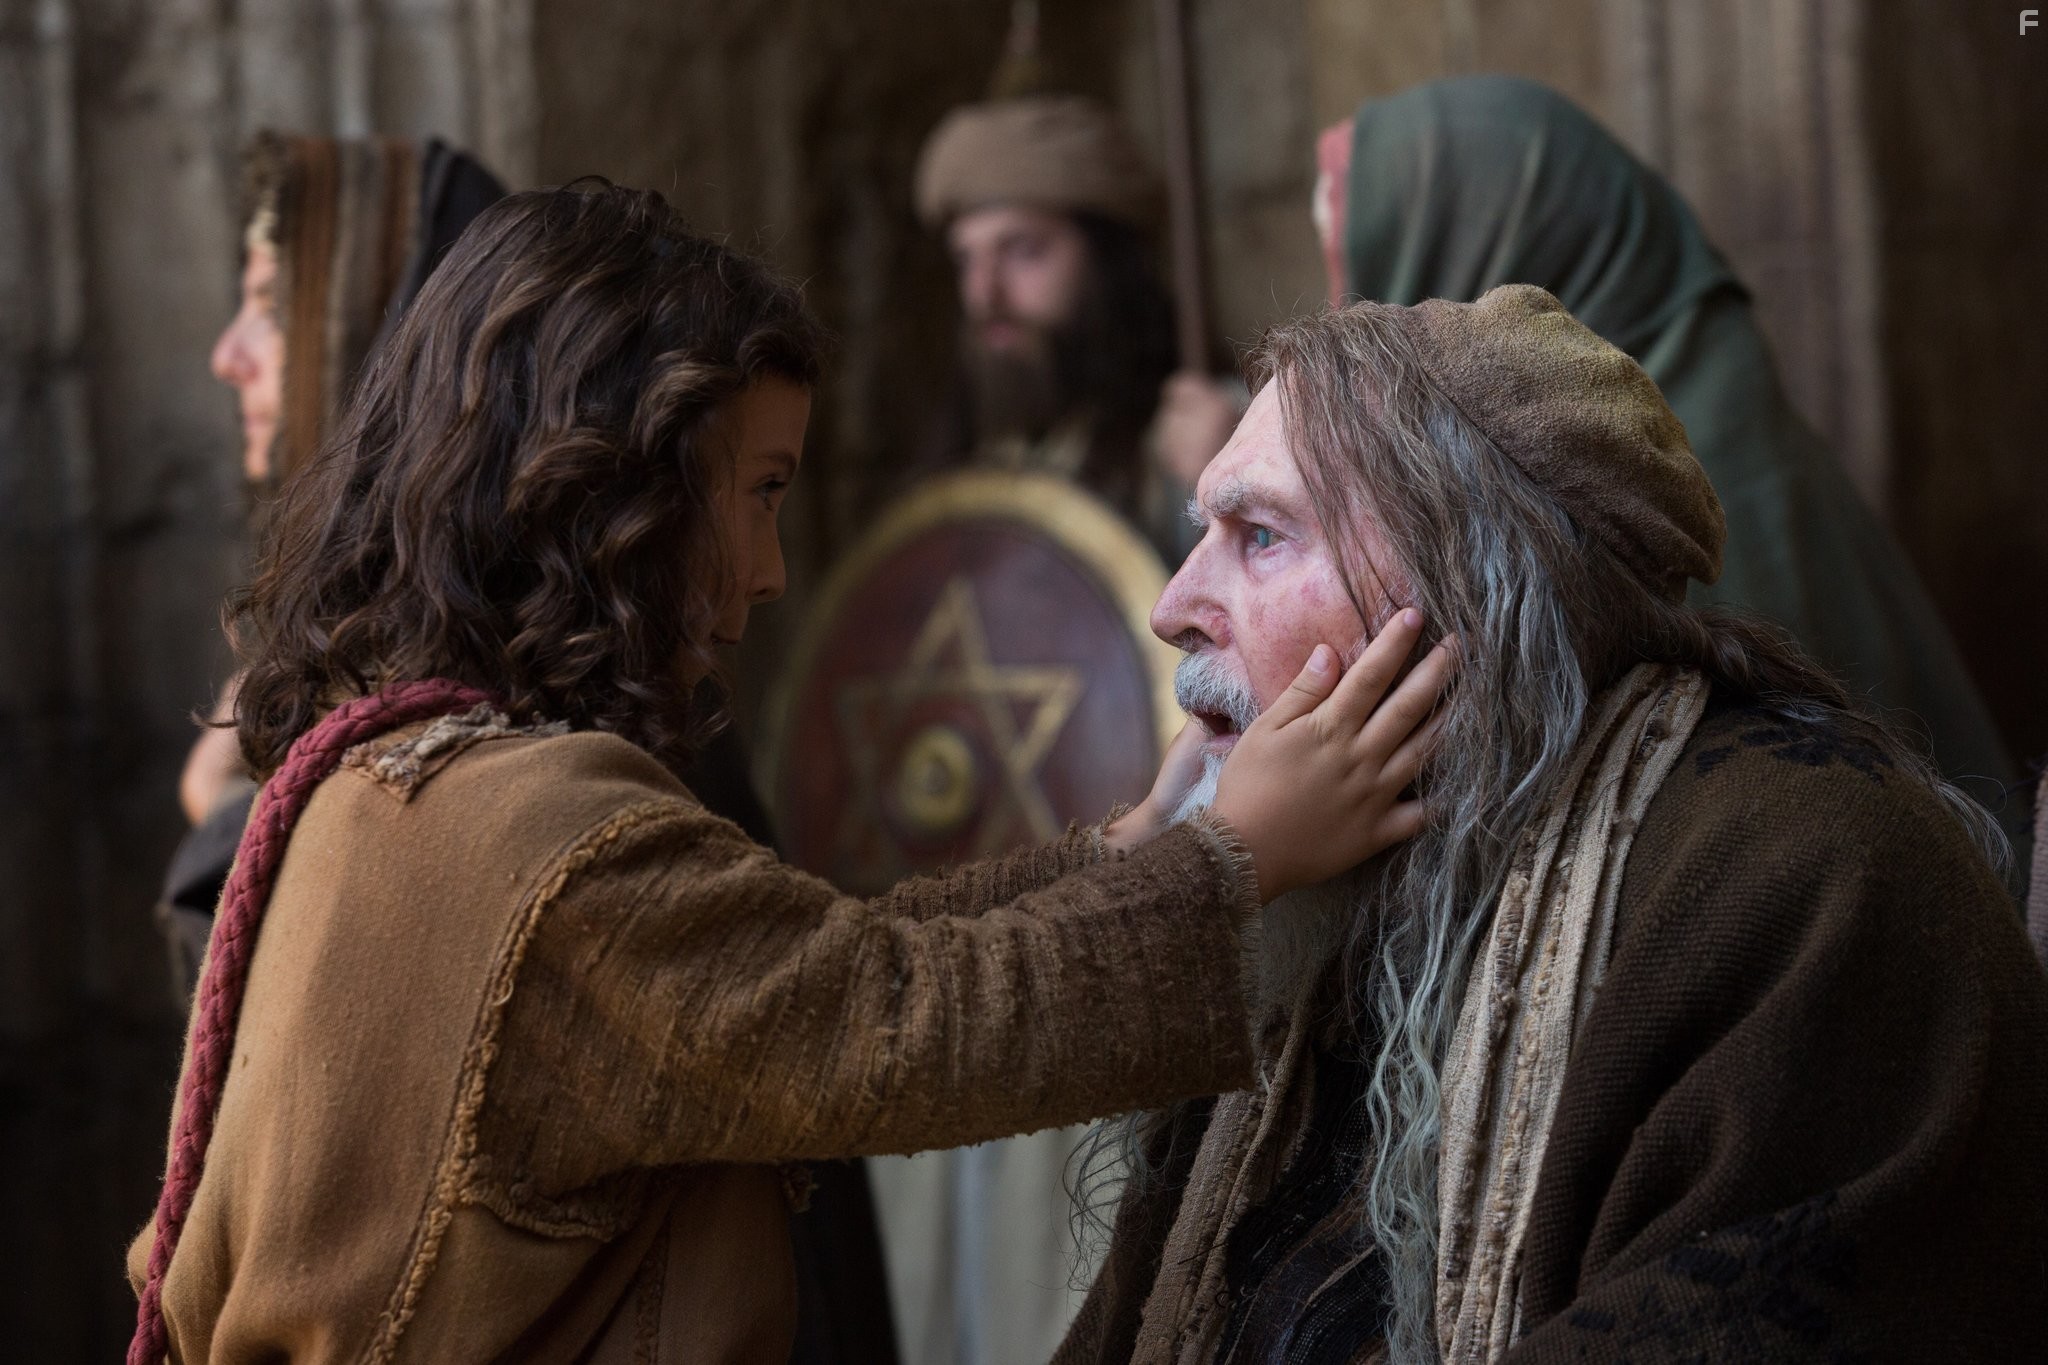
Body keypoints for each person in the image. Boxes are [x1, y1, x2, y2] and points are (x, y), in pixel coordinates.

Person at [123, 182, 1452, 1364]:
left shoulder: (405, 776)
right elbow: (901, 1022)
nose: (767, 575)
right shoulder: (536, 843)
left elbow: (804, 960)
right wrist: (1233, 860)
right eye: (759, 491)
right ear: (614, 489)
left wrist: (1132, 849)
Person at [1055, 286, 2048, 1363]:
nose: (1171, 606)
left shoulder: (1804, 877)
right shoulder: (1325, 895)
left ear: (1480, 587)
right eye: (1202, 532)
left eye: (1260, 536)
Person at [1309, 76, 2020, 831]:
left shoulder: (1657, 494)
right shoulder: (1695, 409)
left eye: (1356, 262)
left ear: (1467, 245)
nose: (1345, 308)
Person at [162, 131, 508, 999]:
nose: (227, 355)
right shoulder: (362, 612)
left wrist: (224, 810)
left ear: (373, 340)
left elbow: (353, 977)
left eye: (273, 308)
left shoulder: (494, 621)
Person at [911, 87, 1240, 560]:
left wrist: (1238, 490)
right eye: (966, 260)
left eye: (1022, 250)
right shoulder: (978, 453)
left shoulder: (1210, 432)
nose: (984, 294)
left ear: (1106, 262)